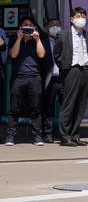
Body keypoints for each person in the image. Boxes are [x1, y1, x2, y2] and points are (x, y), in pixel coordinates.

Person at [54, 7, 88, 147]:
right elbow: (57, 54)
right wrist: (65, 67)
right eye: (78, 16)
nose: (81, 18)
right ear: (71, 19)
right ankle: (65, 136)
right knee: (69, 103)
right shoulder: (63, 34)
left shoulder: (86, 34)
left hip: (85, 70)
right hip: (72, 70)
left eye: (83, 15)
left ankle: (75, 134)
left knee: (81, 104)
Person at [5, 17, 46, 146]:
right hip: (18, 77)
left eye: (30, 25)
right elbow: (13, 55)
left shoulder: (38, 40)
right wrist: (19, 38)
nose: (28, 27)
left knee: (36, 108)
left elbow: (41, 54)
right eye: (25, 26)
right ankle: (11, 136)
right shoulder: (14, 39)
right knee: (14, 108)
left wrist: (37, 39)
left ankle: (37, 136)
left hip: (34, 77)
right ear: (20, 28)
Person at [41, 18, 64, 143]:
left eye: (57, 25)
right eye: (52, 25)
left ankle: (65, 133)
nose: (55, 27)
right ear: (47, 28)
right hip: (49, 79)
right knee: (48, 108)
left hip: (62, 79)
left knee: (66, 107)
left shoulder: (65, 41)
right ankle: (48, 133)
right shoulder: (43, 42)